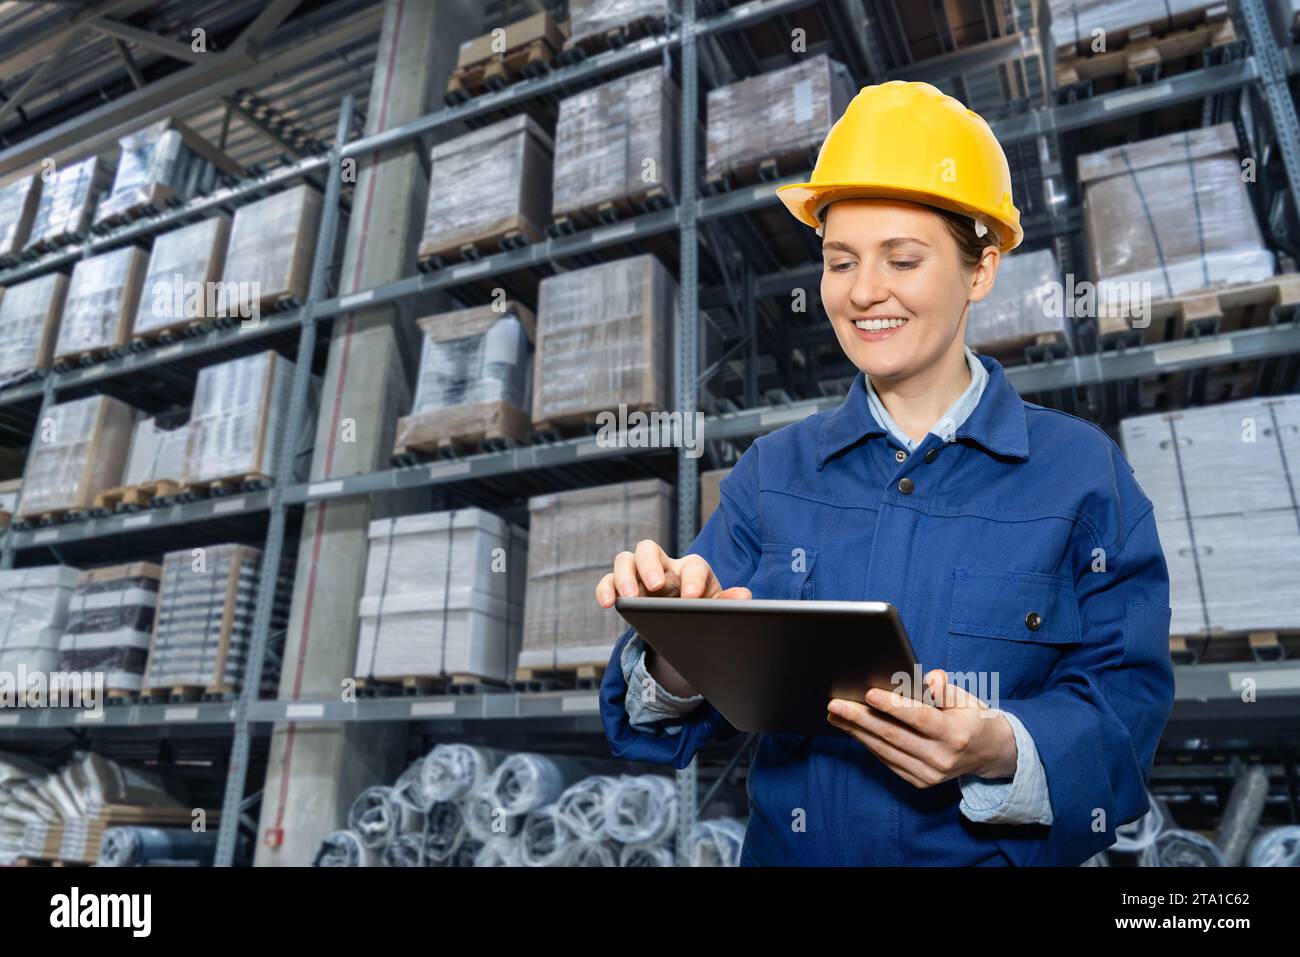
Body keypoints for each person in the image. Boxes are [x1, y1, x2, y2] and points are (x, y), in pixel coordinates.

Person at [593, 80, 1175, 866]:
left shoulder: (1081, 477)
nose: (865, 291)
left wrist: (998, 746)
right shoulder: (775, 475)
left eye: (903, 258)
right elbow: (668, 717)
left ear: (981, 270)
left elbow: (1126, 706)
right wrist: (672, 634)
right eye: (840, 262)